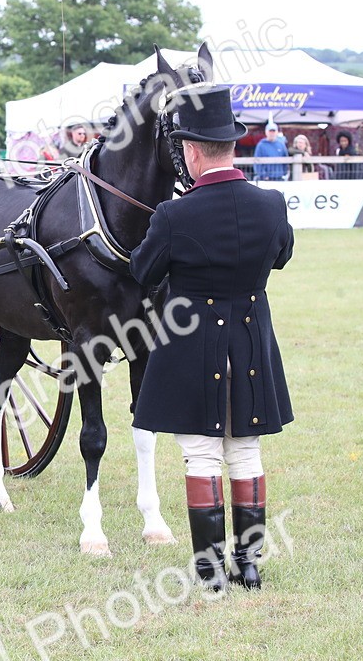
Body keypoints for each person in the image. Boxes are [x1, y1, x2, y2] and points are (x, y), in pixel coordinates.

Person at [130, 85, 294, 591]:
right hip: (249, 340)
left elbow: (142, 272)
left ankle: (209, 570)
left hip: (189, 344)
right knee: (245, 452)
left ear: (194, 152)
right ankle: (248, 565)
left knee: (200, 455)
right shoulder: (271, 205)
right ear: (232, 146)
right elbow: (282, 256)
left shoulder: (174, 215)